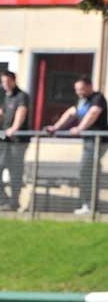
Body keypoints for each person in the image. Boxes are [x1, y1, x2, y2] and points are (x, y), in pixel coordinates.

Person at [47, 75, 108, 215]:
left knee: (88, 170)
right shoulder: (82, 101)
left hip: (97, 141)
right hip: (87, 142)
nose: (78, 92)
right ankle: (87, 204)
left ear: (89, 86)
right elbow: (70, 113)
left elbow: (93, 114)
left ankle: (91, 205)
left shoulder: (97, 98)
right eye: (76, 90)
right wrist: (56, 127)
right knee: (85, 171)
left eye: (81, 89)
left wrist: (80, 128)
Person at [0, 70, 30, 211]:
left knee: (15, 171)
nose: (5, 84)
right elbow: (0, 113)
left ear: (14, 81)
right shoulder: (7, 97)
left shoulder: (21, 96)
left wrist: (14, 128)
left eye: (8, 81)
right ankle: (3, 200)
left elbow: (21, 111)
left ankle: (14, 202)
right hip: (5, 141)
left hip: (17, 142)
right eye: (3, 82)